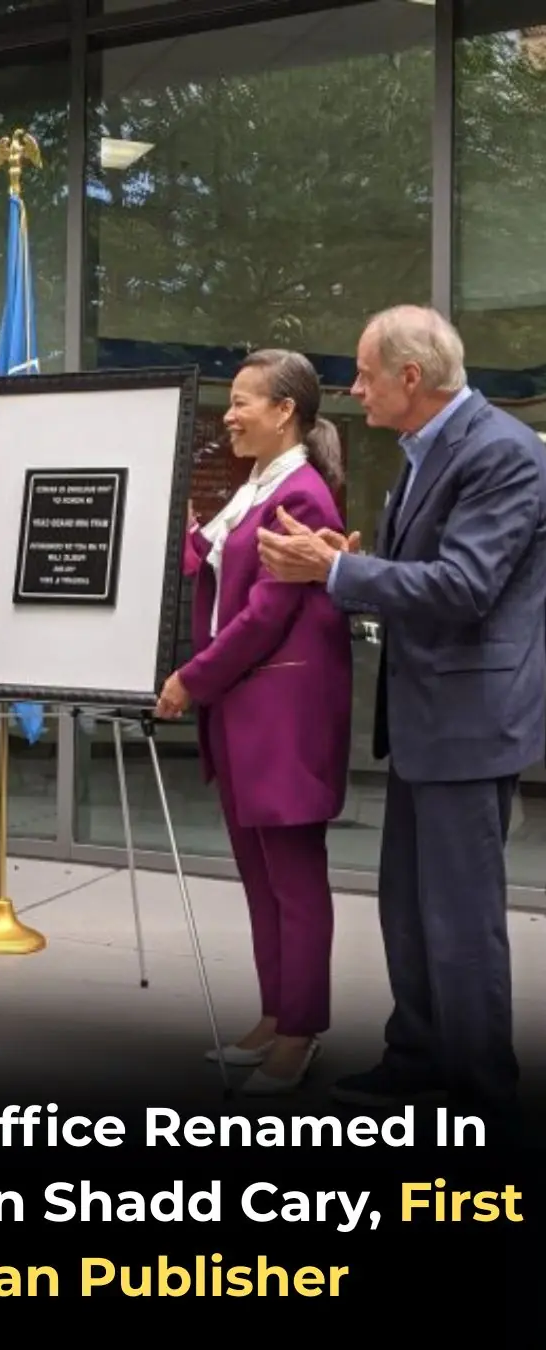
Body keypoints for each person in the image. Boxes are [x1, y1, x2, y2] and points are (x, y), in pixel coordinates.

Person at [257, 305, 546, 1121]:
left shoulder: (501, 452)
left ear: (409, 378)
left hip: (468, 719)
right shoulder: (428, 450)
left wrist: (338, 576)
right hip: (427, 716)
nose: (355, 389)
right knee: (410, 905)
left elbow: (464, 588)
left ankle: (481, 1091)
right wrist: (353, 568)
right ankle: (417, 1054)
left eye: (363, 372)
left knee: (460, 916)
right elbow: (425, 573)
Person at [155, 349, 352, 1094]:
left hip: (281, 721)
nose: (229, 415)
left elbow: (264, 617)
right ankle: (276, 1015)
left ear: (285, 412)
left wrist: (188, 680)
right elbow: (208, 564)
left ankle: (299, 1035)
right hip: (245, 716)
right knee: (260, 879)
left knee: (294, 884)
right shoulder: (258, 486)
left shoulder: (301, 496)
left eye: (242, 402)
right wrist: (174, 529)